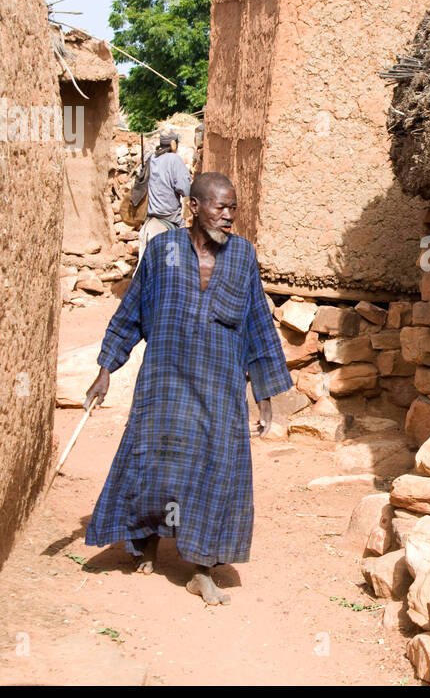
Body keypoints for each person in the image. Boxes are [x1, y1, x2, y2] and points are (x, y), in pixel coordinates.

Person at [83, 172, 291, 605]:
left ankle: (202, 568)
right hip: (165, 380)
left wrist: (266, 394)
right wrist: (106, 369)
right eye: (221, 207)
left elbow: (258, 325)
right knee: (155, 458)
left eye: (234, 207)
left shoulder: (242, 258)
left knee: (217, 469)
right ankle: (148, 542)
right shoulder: (163, 251)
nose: (229, 216)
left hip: (220, 385)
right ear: (194, 208)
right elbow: (131, 311)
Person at [135, 129, 191, 272]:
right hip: (168, 223)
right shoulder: (174, 160)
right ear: (173, 144)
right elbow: (185, 189)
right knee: (170, 274)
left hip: (149, 224)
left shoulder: (151, 158)